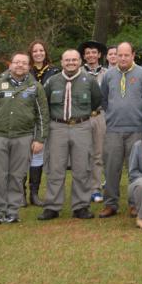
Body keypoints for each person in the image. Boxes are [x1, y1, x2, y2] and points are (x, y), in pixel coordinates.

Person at [0, 52, 49, 224]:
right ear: (10, 65)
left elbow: (42, 116)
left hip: (23, 138)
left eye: (24, 63)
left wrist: (40, 139)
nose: (20, 66)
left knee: (17, 176)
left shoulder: (35, 87)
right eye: (17, 62)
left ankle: (12, 211)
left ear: (28, 67)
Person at [40, 47, 102, 220]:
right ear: (61, 62)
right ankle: (52, 206)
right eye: (67, 60)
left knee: (82, 168)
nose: (71, 63)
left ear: (80, 61)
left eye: (74, 60)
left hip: (81, 126)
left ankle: (81, 206)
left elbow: (97, 100)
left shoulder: (89, 80)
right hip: (57, 127)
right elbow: (44, 103)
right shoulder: (52, 81)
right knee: (55, 168)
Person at [98, 42, 142, 218]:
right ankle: (110, 204)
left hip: (137, 129)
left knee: (135, 169)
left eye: (126, 55)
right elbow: (104, 100)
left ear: (133, 55)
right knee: (111, 169)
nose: (122, 58)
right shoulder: (108, 76)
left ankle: (134, 204)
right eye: (119, 55)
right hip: (113, 129)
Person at [25, 39, 58, 206]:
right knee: (22, 155)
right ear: (31, 54)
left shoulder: (54, 71)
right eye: (35, 51)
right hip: (25, 118)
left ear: (45, 52)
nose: (38, 53)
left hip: (44, 117)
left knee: (37, 154)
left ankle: (34, 194)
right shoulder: (24, 70)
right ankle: (18, 193)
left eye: (41, 50)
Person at [78, 40, 109, 204]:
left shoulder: (107, 73)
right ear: (84, 56)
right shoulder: (77, 73)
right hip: (81, 117)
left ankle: (96, 188)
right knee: (82, 154)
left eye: (93, 52)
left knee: (98, 154)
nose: (91, 55)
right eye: (87, 53)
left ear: (99, 55)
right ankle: (82, 189)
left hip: (100, 116)